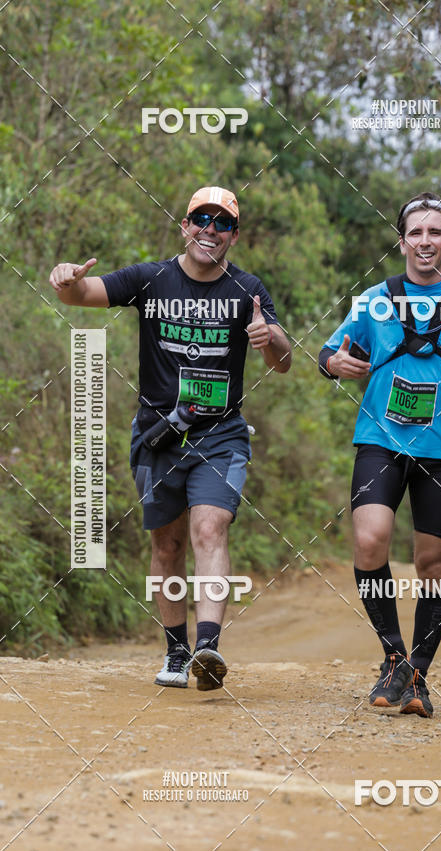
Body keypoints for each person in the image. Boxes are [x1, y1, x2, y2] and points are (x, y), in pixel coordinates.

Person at [50, 186, 291, 691]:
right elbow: (80, 295)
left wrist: (270, 339)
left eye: (223, 223)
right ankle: (177, 652)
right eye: (201, 219)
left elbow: (283, 361)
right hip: (159, 435)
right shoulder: (151, 278)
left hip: (220, 434)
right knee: (167, 544)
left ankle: (208, 647)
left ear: (234, 236)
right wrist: (67, 279)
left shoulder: (247, 289)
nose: (210, 230)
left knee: (210, 528)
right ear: (184, 226)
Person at [319, 192, 441, 717]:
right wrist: (335, 365)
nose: (426, 241)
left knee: (433, 563)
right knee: (369, 539)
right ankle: (393, 657)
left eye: (435, 232)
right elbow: (329, 352)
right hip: (379, 441)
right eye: (416, 232)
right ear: (401, 242)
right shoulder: (373, 300)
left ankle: (418, 675)